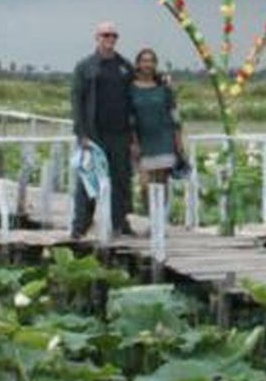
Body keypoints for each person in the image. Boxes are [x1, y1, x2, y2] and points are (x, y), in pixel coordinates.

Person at [70, 21, 136, 238]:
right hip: (93, 134)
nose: (110, 39)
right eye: (105, 35)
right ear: (97, 37)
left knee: (121, 179)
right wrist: (81, 133)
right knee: (88, 181)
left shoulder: (125, 66)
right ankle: (80, 225)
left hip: (120, 134)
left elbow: (138, 93)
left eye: (113, 35)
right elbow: (77, 101)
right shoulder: (85, 66)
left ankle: (119, 222)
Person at [129, 48, 183, 214]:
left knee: (161, 184)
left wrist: (179, 141)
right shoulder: (130, 89)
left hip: (164, 140)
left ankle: (159, 222)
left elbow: (175, 115)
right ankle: (151, 217)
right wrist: (133, 142)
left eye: (151, 61)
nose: (148, 64)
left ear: (155, 64)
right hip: (143, 140)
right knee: (145, 185)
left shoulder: (164, 88)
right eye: (144, 60)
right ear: (138, 64)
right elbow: (129, 118)